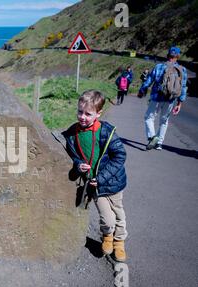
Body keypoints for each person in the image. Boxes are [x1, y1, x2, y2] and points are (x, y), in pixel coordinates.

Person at [62, 90, 128, 262]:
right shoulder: (72, 133)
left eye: (88, 114)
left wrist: (102, 177)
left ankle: (119, 242)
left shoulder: (106, 132)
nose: (82, 117)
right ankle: (107, 236)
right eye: (80, 112)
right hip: (95, 187)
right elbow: (72, 155)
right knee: (107, 218)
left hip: (113, 182)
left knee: (119, 214)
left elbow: (120, 156)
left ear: (98, 114)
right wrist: (78, 164)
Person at [138, 46, 187, 151]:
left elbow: (149, 80)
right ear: (177, 56)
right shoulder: (182, 70)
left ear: (167, 55)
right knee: (164, 121)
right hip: (170, 99)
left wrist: (142, 90)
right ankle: (159, 143)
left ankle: (152, 137)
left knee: (149, 117)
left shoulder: (159, 66)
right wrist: (179, 103)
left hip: (156, 97)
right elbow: (183, 87)